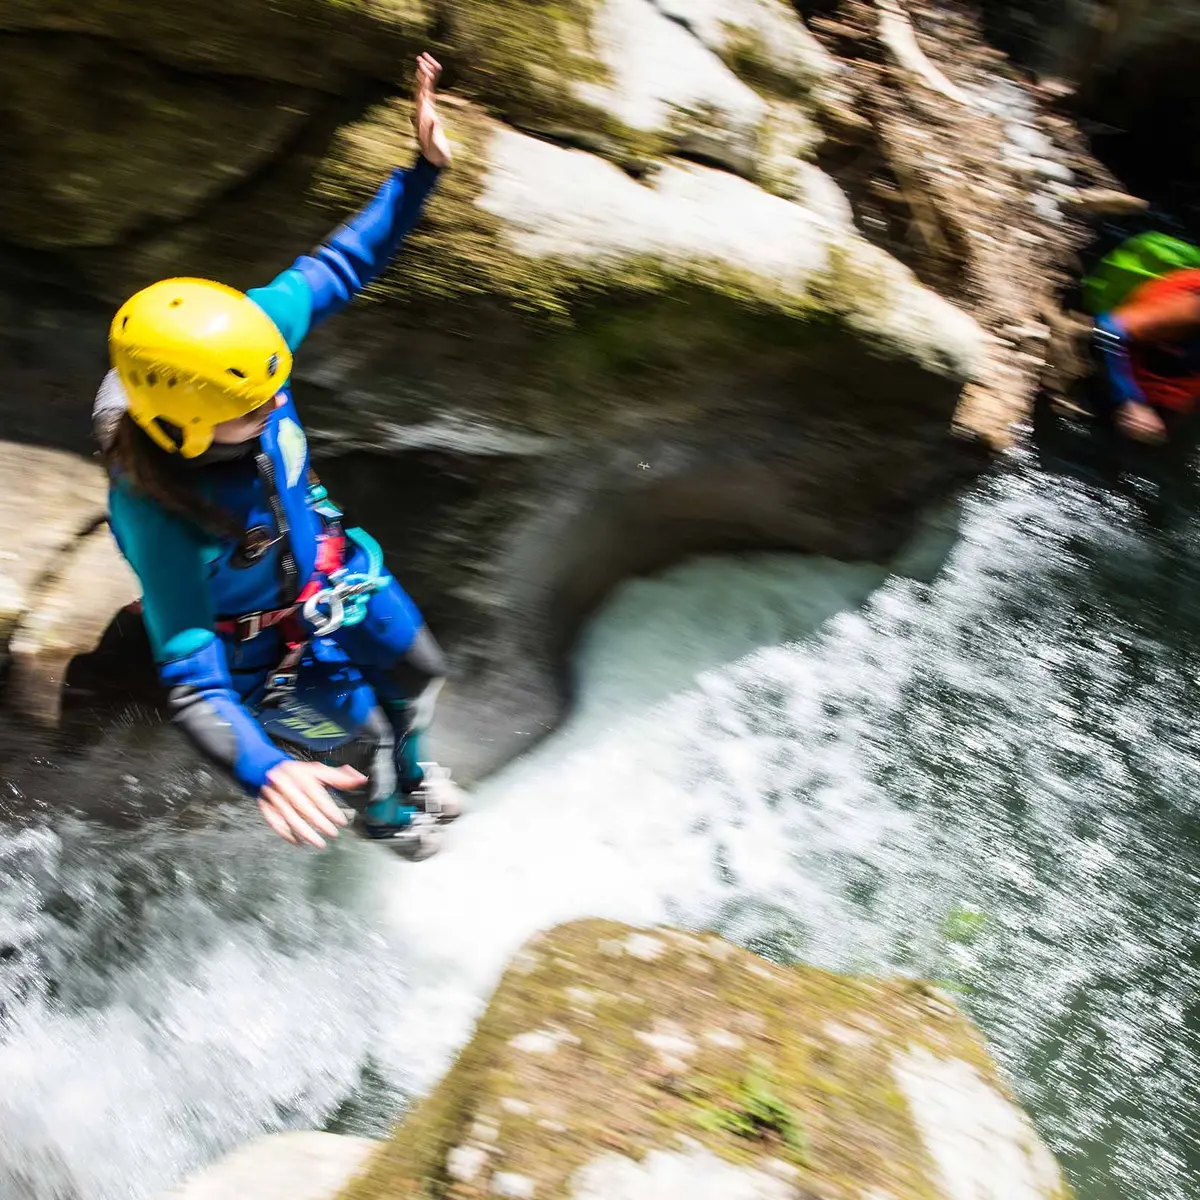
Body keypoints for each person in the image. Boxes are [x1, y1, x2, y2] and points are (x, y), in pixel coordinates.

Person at [94, 53, 465, 857]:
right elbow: (195, 682)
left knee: (421, 672)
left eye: (273, 391)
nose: (274, 407)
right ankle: (387, 816)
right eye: (249, 411)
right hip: (257, 644)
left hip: (330, 568)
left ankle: (418, 769)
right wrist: (264, 768)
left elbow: (339, 266)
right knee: (358, 736)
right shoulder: (159, 513)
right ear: (186, 428)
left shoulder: (245, 347)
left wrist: (422, 172)